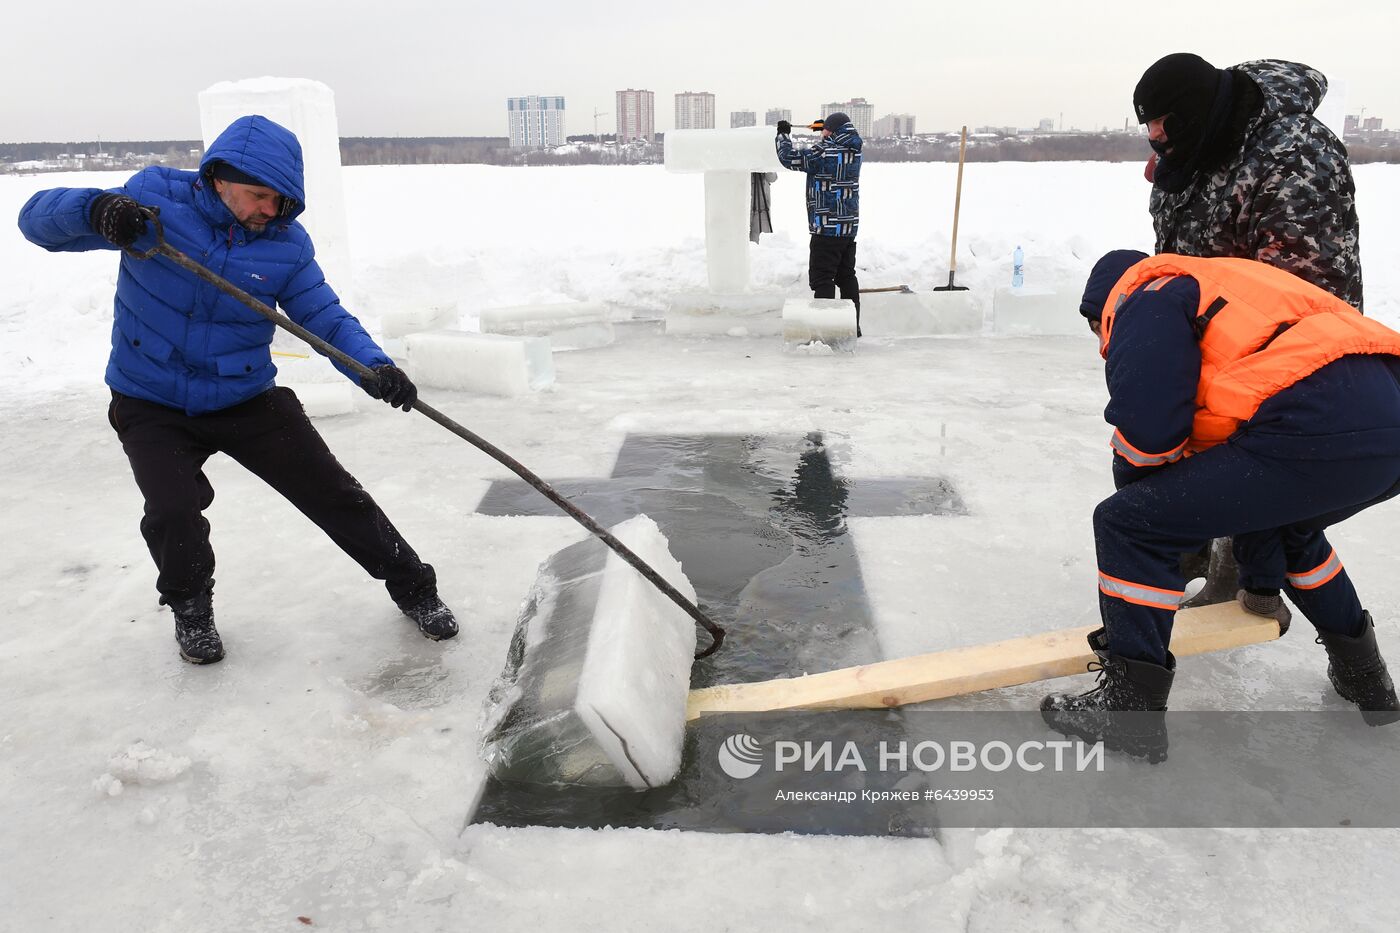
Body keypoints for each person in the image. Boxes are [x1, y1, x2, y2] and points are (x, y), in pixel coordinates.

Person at [17, 114, 458, 665]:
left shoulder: (286, 246)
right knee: (173, 511)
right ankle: (191, 609)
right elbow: (34, 222)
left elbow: (323, 315)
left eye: (279, 201)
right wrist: (95, 210)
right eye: (258, 196)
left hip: (244, 398)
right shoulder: (153, 202)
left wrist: (372, 367)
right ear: (218, 178)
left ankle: (416, 588)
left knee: (334, 494)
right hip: (149, 399)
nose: (268, 211)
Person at [1042, 249, 1400, 756]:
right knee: (1290, 524)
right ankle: (1368, 681)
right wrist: (1259, 581)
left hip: (1314, 421)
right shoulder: (1225, 283)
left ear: (1099, 309)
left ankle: (1128, 713)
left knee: (1128, 524)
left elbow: (1149, 430)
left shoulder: (1146, 295)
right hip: (1388, 417)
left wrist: (1157, 512)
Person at [1133, 53, 1365, 607]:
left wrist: (1226, 340)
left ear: (1193, 113)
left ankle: (1255, 579)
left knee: (1259, 473)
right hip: (1212, 323)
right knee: (1184, 435)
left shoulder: (1293, 156)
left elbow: (1306, 289)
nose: (1155, 137)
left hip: (1282, 341)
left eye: (1164, 125)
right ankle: (1199, 544)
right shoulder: (1205, 134)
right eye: (1149, 127)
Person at [775, 113, 863, 335]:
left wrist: (783, 135)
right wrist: (825, 133)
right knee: (846, 276)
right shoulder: (854, 149)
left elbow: (789, 158)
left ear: (831, 131)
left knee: (822, 278)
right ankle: (852, 327)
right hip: (847, 226)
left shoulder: (824, 152)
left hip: (827, 226)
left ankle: (828, 329)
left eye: (826, 129)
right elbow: (829, 148)